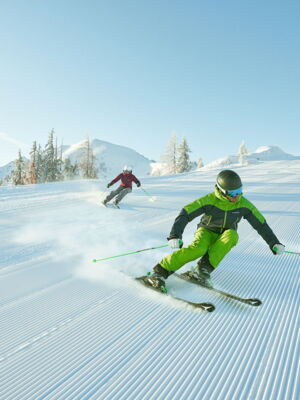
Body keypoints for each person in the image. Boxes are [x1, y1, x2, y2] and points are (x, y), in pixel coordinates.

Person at [146, 169, 285, 289]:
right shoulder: (209, 200)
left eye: (239, 191)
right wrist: (175, 235)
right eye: (232, 193)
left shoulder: (244, 204)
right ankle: (159, 272)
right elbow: (185, 213)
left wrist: (274, 243)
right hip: (206, 231)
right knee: (198, 249)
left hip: (224, 234)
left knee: (232, 235)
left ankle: (202, 270)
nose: (237, 196)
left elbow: (261, 224)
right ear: (222, 190)